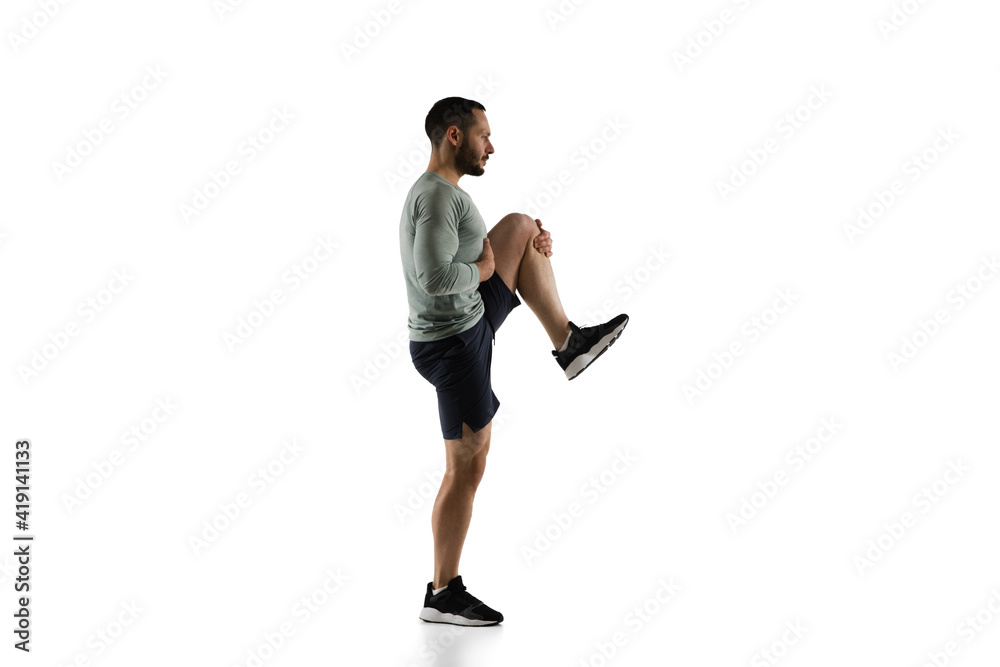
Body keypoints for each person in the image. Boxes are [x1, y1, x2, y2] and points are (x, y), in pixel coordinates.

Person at [399, 97, 629, 626]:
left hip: (470, 318)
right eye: (484, 136)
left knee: (523, 227)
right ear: (454, 136)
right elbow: (434, 279)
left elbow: (474, 261)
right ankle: (443, 593)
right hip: (452, 345)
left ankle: (568, 342)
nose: (491, 146)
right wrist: (483, 270)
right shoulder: (435, 200)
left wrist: (531, 253)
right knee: (467, 465)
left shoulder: (446, 194)